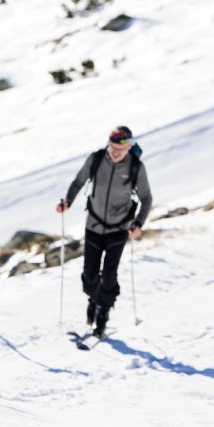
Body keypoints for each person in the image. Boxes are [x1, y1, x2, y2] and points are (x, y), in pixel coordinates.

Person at [57, 126, 152, 337]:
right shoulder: (96, 159)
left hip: (119, 229)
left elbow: (146, 198)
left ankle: (103, 312)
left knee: (109, 274)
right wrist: (67, 202)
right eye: (112, 147)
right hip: (93, 226)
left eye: (121, 148)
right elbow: (78, 181)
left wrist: (138, 223)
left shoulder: (136, 167)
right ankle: (94, 298)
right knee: (89, 277)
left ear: (129, 147)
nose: (115, 152)